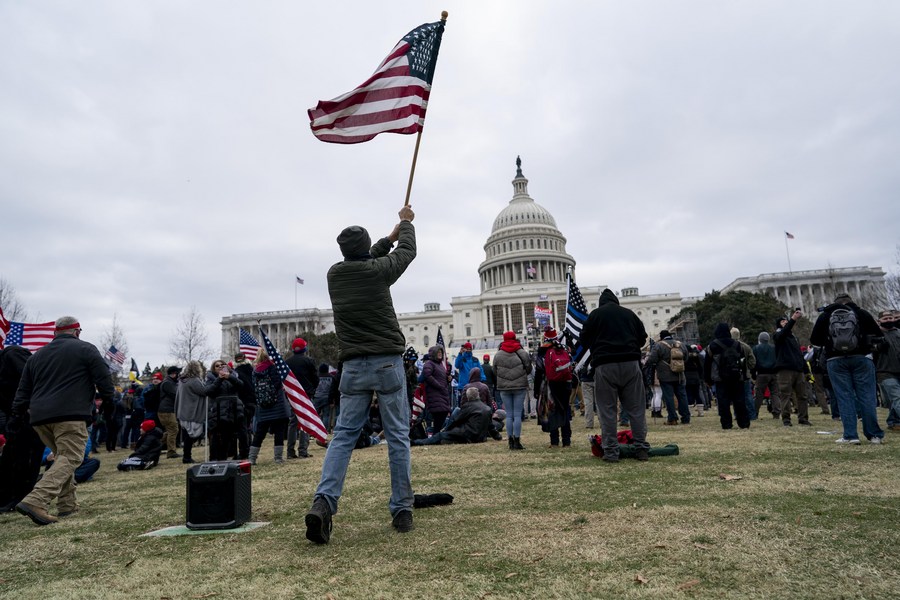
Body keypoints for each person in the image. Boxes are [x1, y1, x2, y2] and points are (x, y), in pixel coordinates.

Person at [304, 205, 418, 544]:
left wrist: (389, 237)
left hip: (352, 366)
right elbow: (408, 253)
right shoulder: (378, 272)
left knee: (342, 438)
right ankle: (401, 509)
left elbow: (369, 258)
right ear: (365, 248)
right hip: (387, 363)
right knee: (397, 435)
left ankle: (324, 502)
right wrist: (407, 225)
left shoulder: (334, 274)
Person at [11, 316, 115, 525]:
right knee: (71, 457)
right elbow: (103, 377)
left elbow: (23, 390)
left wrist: (16, 414)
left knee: (62, 458)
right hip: (70, 414)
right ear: (77, 331)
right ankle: (36, 499)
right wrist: (108, 402)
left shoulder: (36, 356)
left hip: (40, 418)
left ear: (55, 333)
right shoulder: (86, 349)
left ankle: (67, 505)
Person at [579, 289, 649, 463]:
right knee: (636, 410)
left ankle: (611, 451)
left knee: (607, 410)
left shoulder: (595, 315)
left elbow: (583, 339)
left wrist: (597, 346)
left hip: (605, 365)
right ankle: (641, 448)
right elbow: (642, 338)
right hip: (630, 364)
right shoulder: (629, 314)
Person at [810, 293, 884, 444]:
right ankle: (874, 435)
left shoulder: (826, 315)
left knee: (844, 397)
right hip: (862, 358)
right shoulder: (862, 313)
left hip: (835, 360)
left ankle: (851, 435)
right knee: (867, 397)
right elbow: (878, 335)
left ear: (835, 302)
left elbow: (814, 340)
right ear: (852, 302)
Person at [704, 323, 751, 430]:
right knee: (739, 401)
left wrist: (707, 379)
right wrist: (743, 375)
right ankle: (744, 423)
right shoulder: (737, 344)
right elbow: (743, 361)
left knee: (723, 402)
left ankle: (726, 424)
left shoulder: (713, 345)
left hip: (720, 378)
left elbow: (707, 364)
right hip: (737, 376)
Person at [249, 349, 292, 465]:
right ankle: (278, 458)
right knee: (279, 430)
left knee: (260, 432)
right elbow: (277, 383)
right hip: (277, 404)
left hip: (263, 406)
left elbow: (253, 387)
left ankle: (252, 458)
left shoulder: (255, 371)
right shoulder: (273, 368)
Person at [411, 387, 493, 446]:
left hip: (468, 435)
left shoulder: (468, 406)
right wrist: (498, 437)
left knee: (440, 435)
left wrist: (448, 430)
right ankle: (446, 439)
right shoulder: (487, 409)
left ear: (468, 397)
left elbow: (457, 420)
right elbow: (491, 426)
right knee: (447, 434)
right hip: (479, 437)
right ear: (478, 395)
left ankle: (416, 442)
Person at [493, 331, 532, 450]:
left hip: (504, 387)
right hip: (519, 386)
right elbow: (529, 368)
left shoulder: (498, 354)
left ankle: (510, 441)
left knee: (509, 415)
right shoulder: (522, 353)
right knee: (517, 415)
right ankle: (517, 440)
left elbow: (495, 370)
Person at [774, 310, 812, 427]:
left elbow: (799, 355)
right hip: (785, 370)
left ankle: (803, 418)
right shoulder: (778, 335)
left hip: (798, 370)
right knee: (785, 395)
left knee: (802, 395)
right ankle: (786, 419)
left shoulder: (793, 338)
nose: (785, 322)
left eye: (786, 321)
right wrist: (793, 319)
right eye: (783, 321)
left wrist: (806, 370)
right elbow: (783, 333)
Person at [536, 329, 573, 448]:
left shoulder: (543, 350)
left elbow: (538, 370)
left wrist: (536, 390)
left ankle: (555, 441)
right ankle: (566, 441)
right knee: (565, 409)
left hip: (550, 384)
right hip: (566, 383)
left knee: (552, 411)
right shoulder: (565, 348)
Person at [647, 330, 690, 426]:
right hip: (679, 375)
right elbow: (686, 358)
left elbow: (651, 359)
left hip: (665, 376)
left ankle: (672, 418)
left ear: (662, 337)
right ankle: (686, 417)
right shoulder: (680, 344)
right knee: (682, 396)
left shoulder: (659, 345)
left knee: (669, 397)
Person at [204, 359, 245, 461]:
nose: (220, 367)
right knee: (218, 437)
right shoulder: (210, 378)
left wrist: (229, 377)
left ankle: (239, 455)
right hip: (218, 412)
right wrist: (219, 379)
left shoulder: (233, 376)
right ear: (214, 368)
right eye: (217, 366)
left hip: (234, 410)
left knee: (237, 434)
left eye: (223, 365)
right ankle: (216, 458)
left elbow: (241, 385)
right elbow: (208, 391)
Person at [286, 338, 319, 459]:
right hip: (306, 394)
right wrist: (312, 388)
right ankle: (302, 450)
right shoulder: (309, 361)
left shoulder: (287, 362)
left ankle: (290, 451)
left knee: (293, 422)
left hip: (292, 395)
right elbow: (315, 378)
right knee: (305, 422)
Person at [176, 361, 206, 464]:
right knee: (193, 434)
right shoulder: (194, 381)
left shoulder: (182, 380)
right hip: (192, 412)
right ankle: (187, 457)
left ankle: (186, 456)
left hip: (183, 411)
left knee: (187, 435)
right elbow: (204, 391)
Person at [874, 310, 900, 432]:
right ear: (879, 321)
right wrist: (877, 347)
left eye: (890, 318)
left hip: (898, 369)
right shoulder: (875, 334)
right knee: (897, 398)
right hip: (884, 371)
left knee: (893, 400)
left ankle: (894, 422)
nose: (889, 320)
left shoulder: (898, 333)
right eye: (885, 319)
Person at [421, 345, 451, 433]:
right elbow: (427, 375)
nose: (440, 354)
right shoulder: (429, 364)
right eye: (438, 352)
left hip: (442, 393)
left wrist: (448, 379)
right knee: (439, 413)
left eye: (441, 352)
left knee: (444, 412)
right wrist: (438, 385)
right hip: (434, 393)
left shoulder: (440, 365)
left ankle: (436, 433)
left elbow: (441, 377)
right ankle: (435, 434)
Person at [232, 352, 256, 459]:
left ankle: (244, 452)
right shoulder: (251, 370)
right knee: (247, 427)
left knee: (242, 429)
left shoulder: (236, 373)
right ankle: (248, 449)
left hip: (242, 402)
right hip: (252, 402)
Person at [729, 328, 757, 419]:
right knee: (748, 396)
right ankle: (752, 415)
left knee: (735, 396)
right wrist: (748, 368)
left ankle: (737, 414)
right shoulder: (746, 346)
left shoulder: (728, 347)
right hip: (745, 375)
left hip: (733, 375)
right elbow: (752, 362)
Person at [752, 331, 781, 418]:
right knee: (775, 394)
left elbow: (753, 362)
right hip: (773, 373)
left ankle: (755, 412)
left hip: (761, 374)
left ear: (759, 339)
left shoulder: (756, 348)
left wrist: (753, 374)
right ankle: (776, 412)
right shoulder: (774, 348)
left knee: (759, 395)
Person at [158, 366, 182, 458]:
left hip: (166, 410)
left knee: (169, 431)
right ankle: (171, 452)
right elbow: (176, 394)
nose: (178, 376)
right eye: (177, 374)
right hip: (167, 410)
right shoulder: (168, 383)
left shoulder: (169, 382)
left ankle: (155, 445)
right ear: (173, 374)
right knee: (173, 429)